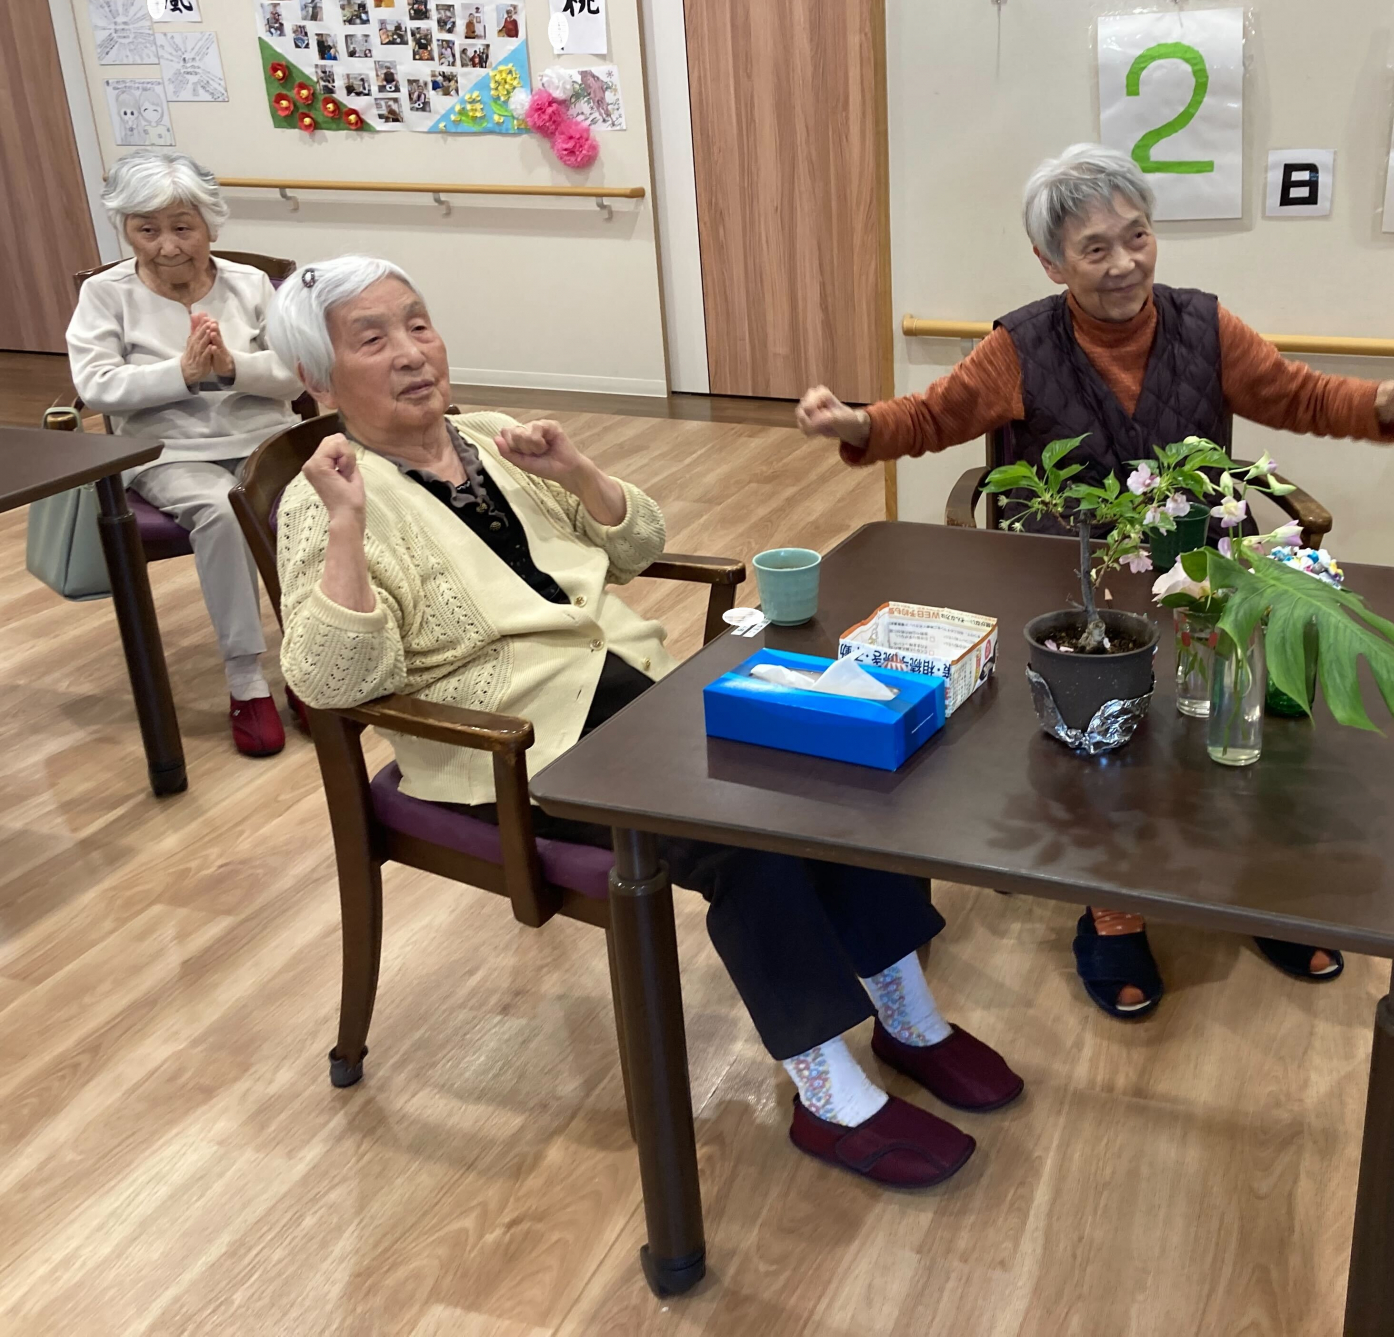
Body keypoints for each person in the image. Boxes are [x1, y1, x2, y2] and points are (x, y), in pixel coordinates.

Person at [269, 255, 1021, 1188]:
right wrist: (347, 525)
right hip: (515, 746)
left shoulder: (491, 436)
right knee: (740, 834)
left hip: (636, 690)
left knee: (832, 764)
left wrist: (576, 470)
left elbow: (639, 545)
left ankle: (907, 1018)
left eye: (418, 323)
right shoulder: (324, 499)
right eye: (372, 338)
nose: (412, 352)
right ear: (317, 378)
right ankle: (828, 1094)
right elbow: (336, 682)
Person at [795, 143, 1394, 1019]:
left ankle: (1254, 894)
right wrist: (855, 424)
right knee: (1102, 737)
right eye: (1095, 249)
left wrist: (1391, 400)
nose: (1124, 263)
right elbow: (932, 417)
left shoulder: (1205, 326)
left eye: (1137, 236)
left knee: (1243, 726)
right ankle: (1112, 907)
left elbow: (1298, 396)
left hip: (1200, 570)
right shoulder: (1020, 344)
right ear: (1052, 263)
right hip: (1078, 581)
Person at [67, 152, 304, 757]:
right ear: (125, 230)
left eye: (182, 227)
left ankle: (310, 662)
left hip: (264, 443)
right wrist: (181, 373)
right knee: (223, 510)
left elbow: (294, 375)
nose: (167, 246)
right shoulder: (105, 293)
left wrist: (233, 366)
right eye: (147, 230)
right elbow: (96, 386)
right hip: (168, 451)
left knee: (318, 505)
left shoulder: (250, 284)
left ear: (210, 226)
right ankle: (247, 682)